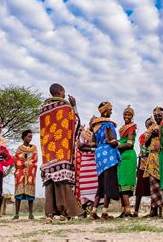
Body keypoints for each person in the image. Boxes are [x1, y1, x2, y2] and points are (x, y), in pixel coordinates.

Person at [40, 83, 80, 223]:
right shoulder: (65, 107)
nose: (65, 95)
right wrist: (74, 106)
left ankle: (50, 213)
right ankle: (65, 212)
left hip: (48, 151)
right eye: (64, 92)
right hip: (62, 149)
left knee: (50, 179)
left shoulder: (43, 109)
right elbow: (75, 123)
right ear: (60, 91)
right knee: (62, 180)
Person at [89, 102, 121, 220]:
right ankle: (104, 212)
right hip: (109, 156)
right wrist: (116, 142)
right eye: (110, 110)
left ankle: (93, 211)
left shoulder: (95, 126)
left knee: (101, 184)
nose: (111, 112)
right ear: (105, 111)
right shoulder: (108, 124)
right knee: (109, 184)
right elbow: (112, 140)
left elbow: (92, 144)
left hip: (99, 155)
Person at [144, 107, 163, 218]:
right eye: (156, 115)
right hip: (153, 157)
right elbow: (146, 143)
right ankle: (153, 210)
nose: (158, 117)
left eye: (160, 115)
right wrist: (152, 135)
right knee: (153, 184)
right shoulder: (151, 128)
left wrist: (160, 134)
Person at [75, 117, 98, 216]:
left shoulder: (99, 133)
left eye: (95, 122)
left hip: (96, 163)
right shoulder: (84, 133)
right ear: (89, 123)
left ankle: (93, 211)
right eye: (92, 122)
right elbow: (80, 146)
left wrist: (91, 147)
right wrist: (94, 148)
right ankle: (83, 210)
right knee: (84, 188)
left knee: (96, 187)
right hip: (85, 162)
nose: (94, 124)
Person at [117, 105, 138, 218]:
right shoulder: (123, 127)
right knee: (121, 182)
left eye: (129, 114)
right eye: (125, 114)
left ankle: (128, 211)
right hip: (122, 157)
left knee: (125, 183)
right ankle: (125, 210)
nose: (127, 116)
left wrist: (116, 146)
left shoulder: (131, 128)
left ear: (132, 116)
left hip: (128, 156)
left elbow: (129, 143)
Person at [13, 129, 38, 220]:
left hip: (30, 173)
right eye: (28, 136)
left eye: (31, 137)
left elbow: (35, 159)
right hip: (20, 173)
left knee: (30, 195)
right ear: (24, 137)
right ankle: (16, 214)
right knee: (18, 194)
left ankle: (31, 214)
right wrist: (24, 163)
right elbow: (16, 160)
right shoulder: (19, 148)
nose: (30, 138)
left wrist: (28, 163)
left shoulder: (34, 148)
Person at [133, 117, 152, 217]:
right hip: (144, 162)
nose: (150, 125)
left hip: (154, 163)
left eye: (151, 124)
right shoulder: (143, 136)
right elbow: (143, 151)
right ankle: (136, 211)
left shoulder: (158, 134)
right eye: (148, 124)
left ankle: (154, 211)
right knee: (140, 188)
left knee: (154, 187)